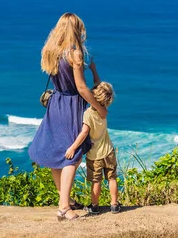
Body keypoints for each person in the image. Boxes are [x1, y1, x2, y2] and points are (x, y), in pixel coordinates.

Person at [27, 13, 107, 222]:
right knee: (74, 154)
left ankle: (66, 200)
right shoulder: (74, 53)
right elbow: (81, 87)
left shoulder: (51, 51)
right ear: (77, 28)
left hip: (56, 103)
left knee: (57, 153)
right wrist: (98, 107)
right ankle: (63, 208)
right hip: (71, 105)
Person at [65, 81, 120, 215]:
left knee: (96, 181)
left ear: (92, 96)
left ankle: (94, 206)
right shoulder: (104, 111)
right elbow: (99, 86)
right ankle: (114, 205)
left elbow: (84, 133)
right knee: (111, 178)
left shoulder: (88, 114)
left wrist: (72, 148)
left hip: (94, 155)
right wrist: (94, 70)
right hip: (109, 151)